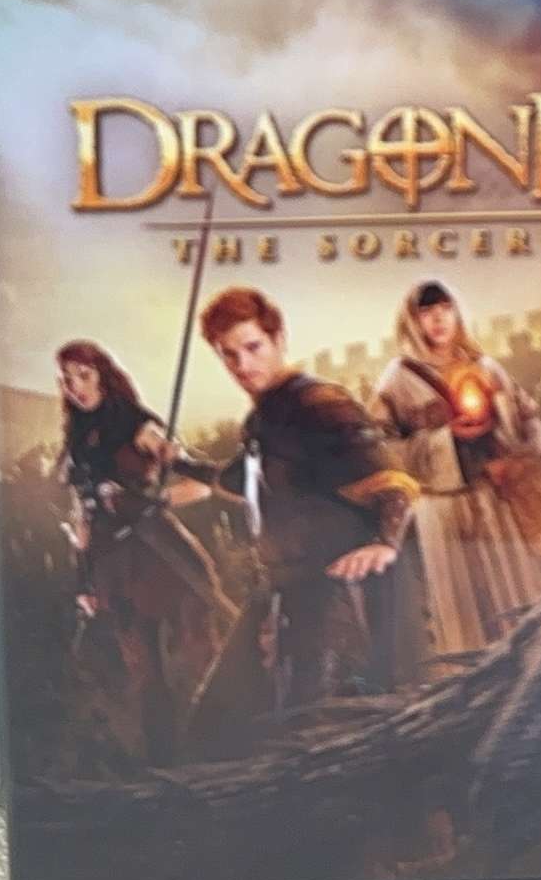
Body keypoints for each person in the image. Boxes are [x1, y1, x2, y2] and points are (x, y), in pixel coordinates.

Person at [173, 287, 419, 712]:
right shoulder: (263, 417)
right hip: (284, 591)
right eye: (229, 355)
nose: (242, 365)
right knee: (221, 720)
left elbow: (391, 481)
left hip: (333, 596)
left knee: (319, 722)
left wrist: (384, 541)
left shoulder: (321, 404)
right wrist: (176, 460)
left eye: (253, 347)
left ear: (279, 339)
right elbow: (239, 479)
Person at [372, 280, 541, 666]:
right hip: (445, 513)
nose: (438, 320)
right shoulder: (397, 379)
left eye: (444, 309)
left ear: (455, 313)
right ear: (412, 321)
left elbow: (528, 422)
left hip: (497, 498)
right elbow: (382, 449)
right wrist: (445, 440)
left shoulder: (485, 366)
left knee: (519, 595)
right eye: (426, 312)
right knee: (468, 612)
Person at [54, 340, 234, 762]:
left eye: (84, 376)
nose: (76, 388)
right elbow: (82, 519)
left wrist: (156, 496)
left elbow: (199, 485)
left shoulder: (137, 425)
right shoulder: (76, 438)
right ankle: (163, 763)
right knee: (143, 675)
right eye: (67, 380)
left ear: (103, 375)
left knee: (199, 655)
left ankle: (225, 748)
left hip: (158, 553)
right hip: (111, 566)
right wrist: (85, 579)